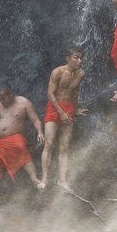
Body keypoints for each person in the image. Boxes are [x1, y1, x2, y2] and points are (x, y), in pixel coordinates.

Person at [0, 83, 45, 202]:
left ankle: (34, 179)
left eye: (4, 98)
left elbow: (35, 119)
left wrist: (40, 132)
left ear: (11, 94)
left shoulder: (24, 102)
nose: (2, 101)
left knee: (21, 148)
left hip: (15, 137)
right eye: (0, 98)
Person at [41, 47, 89, 192]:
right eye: (76, 57)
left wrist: (74, 110)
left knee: (64, 147)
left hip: (68, 108)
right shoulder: (57, 72)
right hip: (54, 108)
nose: (79, 61)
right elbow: (50, 94)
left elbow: (75, 93)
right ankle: (44, 179)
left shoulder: (81, 74)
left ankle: (62, 180)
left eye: (81, 58)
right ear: (67, 58)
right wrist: (61, 112)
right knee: (49, 144)